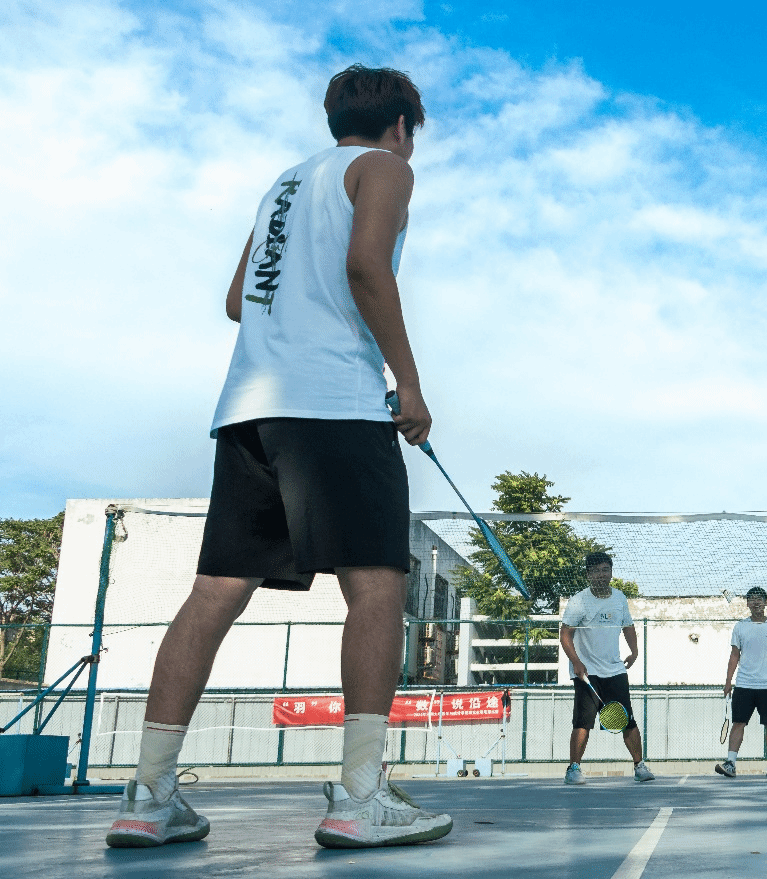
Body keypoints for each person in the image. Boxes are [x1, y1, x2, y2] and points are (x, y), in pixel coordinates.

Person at [106, 65, 452, 849]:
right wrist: (408, 381)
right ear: (402, 126)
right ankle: (361, 798)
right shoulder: (385, 168)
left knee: (214, 594)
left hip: (249, 410)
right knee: (377, 586)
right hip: (332, 402)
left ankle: (148, 797)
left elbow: (238, 300)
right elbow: (366, 267)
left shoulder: (284, 186)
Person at [558, 552, 655, 784]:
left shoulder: (619, 598)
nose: (601, 575)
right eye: (596, 571)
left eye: (605, 570)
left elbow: (628, 626)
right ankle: (573, 769)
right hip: (587, 673)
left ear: (611, 572)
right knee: (583, 722)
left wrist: (634, 651)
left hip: (615, 671)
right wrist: (576, 662)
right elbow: (565, 634)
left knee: (627, 721)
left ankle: (639, 766)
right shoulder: (579, 601)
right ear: (588, 575)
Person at [715, 586, 767, 779]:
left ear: (766, 603)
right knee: (738, 723)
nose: (756, 603)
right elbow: (734, 655)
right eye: (752, 599)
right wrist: (728, 681)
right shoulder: (740, 626)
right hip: (744, 685)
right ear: (747, 604)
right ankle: (730, 763)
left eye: (760, 599)